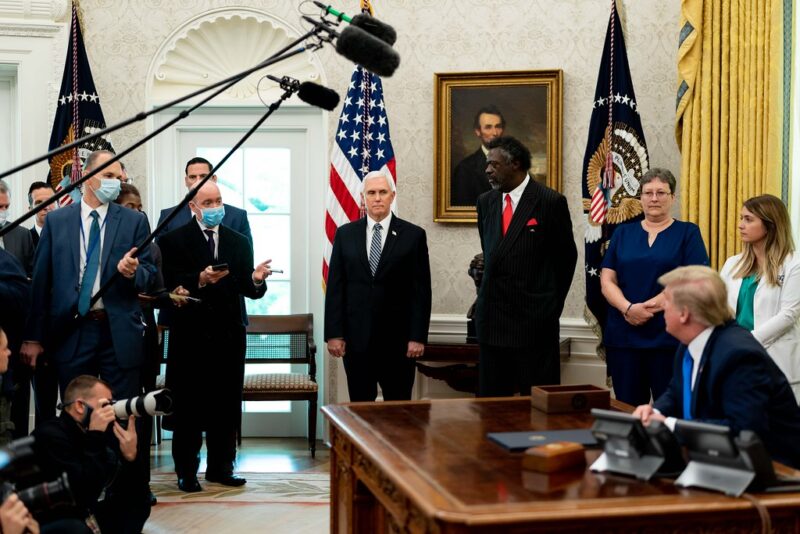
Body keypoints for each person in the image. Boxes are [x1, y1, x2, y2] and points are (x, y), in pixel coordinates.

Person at [159, 180, 270, 492]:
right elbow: (166, 284)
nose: (215, 207)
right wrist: (199, 279)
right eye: (207, 203)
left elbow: (249, 290)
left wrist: (258, 279)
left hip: (228, 336)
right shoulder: (173, 240)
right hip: (190, 337)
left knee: (225, 404)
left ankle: (221, 468)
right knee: (188, 406)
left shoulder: (237, 240)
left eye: (218, 200)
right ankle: (186, 471)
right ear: (194, 207)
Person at [633, 265, 800, 469]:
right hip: (715, 460)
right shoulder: (690, 341)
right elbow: (677, 392)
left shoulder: (739, 355)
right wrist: (653, 411)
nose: (661, 307)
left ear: (684, 314)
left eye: (666, 301)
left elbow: (743, 431)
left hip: (774, 473)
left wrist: (669, 424)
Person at [20, 150, 153, 402]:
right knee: (77, 416)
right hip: (72, 330)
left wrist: (134, 271)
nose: (117, 182)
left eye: (119, 176)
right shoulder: (57, 221)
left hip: (118, 334)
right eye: (108, 175)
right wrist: (34, 336)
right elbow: (41, 283)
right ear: (88, 177)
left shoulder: (133, 221)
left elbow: (150, 276)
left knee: (121, 415)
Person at [475, 136, 577, 396]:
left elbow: (566, 260)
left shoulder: (549, 202)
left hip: (534, 325)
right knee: (492, 409)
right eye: (487, 164)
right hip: (492, 324)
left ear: (516, 164)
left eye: (494, 164)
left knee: (537, 409)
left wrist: (549, 306)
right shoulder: (485, 202)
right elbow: (492, 254)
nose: (487, 169)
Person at [600, 168, 709, 406]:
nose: (654, 198)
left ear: (673, 197)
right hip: (624, 337)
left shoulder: (688, 233)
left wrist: (649, 308)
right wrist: (628, 309)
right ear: (640, 197)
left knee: (670, 409)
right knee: (627, 408)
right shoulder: (622, 233)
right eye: (648, 192)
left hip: (668, 336)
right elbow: (607, 280)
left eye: (661, 192)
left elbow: (693, 278)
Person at [325, 172, 432, 402]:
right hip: (356, 342)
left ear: (392, 196)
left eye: (382, 192)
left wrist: (417, 337)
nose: (377, 198)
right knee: (361, 409)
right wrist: (334, 334)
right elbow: (336, 287)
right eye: (371, 193)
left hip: (399, 343)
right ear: (363, 198)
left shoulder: (413, 236)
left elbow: (421, 291)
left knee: (398, 411)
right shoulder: (345, 234)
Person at [32, 375, 148, 534]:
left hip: (82, 514)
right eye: (105, 404)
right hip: (51, 522)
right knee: (76, 528)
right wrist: (95, 437)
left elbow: (124, 488)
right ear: (80, 406)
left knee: (136, 501)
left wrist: (131, 458)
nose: (110, 410)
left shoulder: (94, 434)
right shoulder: (49, 435)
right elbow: (81, 495)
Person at [719, 195, 800, 401]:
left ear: (770, 225)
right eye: (741, 218)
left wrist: (746, 341)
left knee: (779, 428)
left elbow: (788, 315)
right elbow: (718, 307)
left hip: (776, 359)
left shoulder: (794, 264)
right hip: (736, 358)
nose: (740, 225)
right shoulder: (733, 263)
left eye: (748, 219)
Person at [156, 156, 251, 241]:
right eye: (193, 177)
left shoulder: (238, 217)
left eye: (203, 176)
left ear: (214, 179)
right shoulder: (168, 217)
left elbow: (246, 256)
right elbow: (159, 257)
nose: (198, 181)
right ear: (186, 181)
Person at [451, 106, 505, 207]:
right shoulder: (464, 169)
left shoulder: (515, 163)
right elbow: (462, 209)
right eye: (488, 127)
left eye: (498, 126)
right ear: (478, 132)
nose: (495, 133)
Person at [0, 180, 34, 276]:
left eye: (6, 206)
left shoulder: (22, 235)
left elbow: (33, 274)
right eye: (0, 206)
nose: (4, 211)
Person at [27, 181, 56, 248]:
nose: (46, 207)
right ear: (31, 210)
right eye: (39, 202)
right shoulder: (24, 240)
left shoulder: (70, 236)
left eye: (50, 201)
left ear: (58, 204)